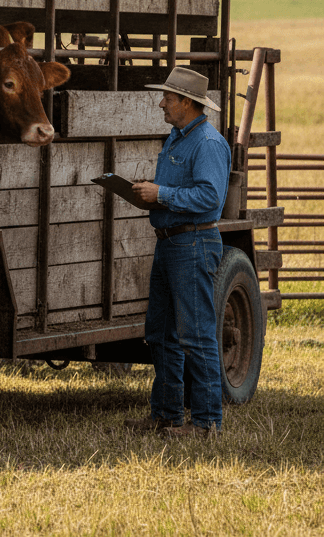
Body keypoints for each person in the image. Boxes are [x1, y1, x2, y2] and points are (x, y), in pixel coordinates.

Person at [125, 66, 231, 438]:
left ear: (187, 102)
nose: (161, 103)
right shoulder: (177, 138)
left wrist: (161, 194)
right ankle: (168, 414)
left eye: (168, 98)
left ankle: (206, 424)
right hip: (171, 242)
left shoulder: (208, 144)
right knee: (160, 332)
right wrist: (147, 193)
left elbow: (210, 197)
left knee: (197, 334)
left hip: (193, 243)